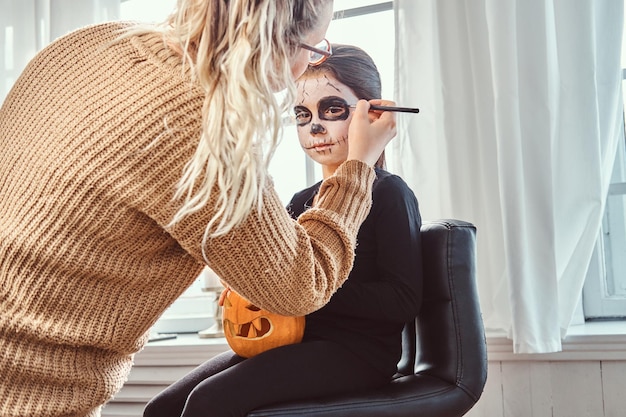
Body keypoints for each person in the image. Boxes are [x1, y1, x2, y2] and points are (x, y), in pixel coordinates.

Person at [0, 1, 399, 416]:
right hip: (27, 393)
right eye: (311, 49)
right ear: (276, 40)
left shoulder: (85, 44)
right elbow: (300, 285)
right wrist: (357, 168)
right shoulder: (205, 128)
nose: (304, 68)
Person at [142, 43, 423, 417]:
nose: (316, 127)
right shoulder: (297, 200)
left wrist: (305, 291)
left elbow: (402, 300)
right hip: (287, 341)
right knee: (162, 409)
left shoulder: (388, 193)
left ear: (370, 114)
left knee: (208, 404)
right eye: (302, 115)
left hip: (359, 353)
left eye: (333, 109)